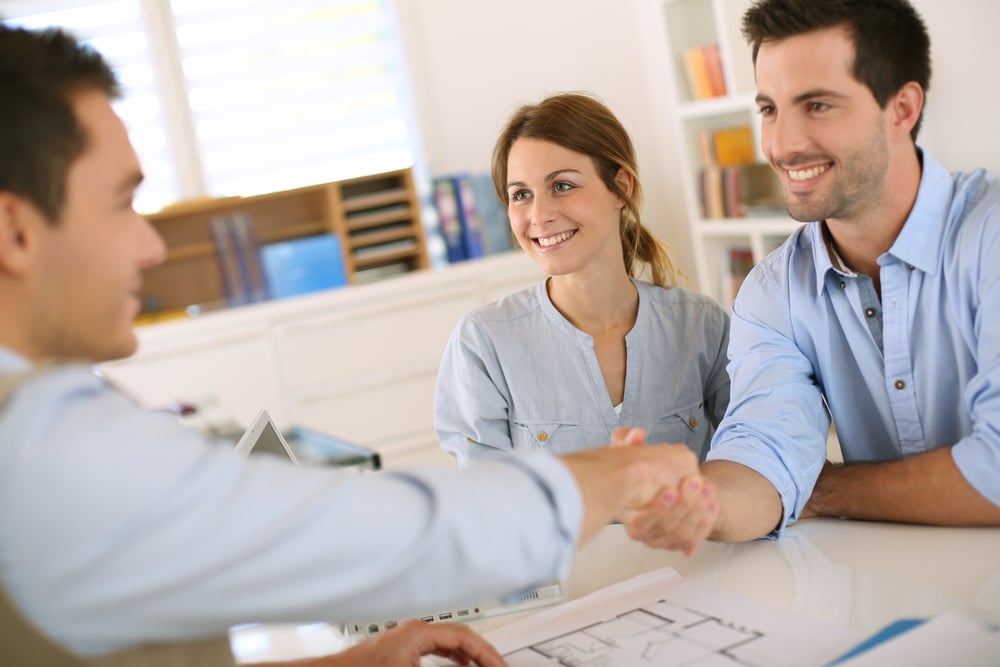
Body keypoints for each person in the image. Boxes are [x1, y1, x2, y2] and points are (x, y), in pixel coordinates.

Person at [0, 24, 713, 666]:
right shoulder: (43, 444)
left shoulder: (700, 321)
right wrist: (622, 472)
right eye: (124, 203)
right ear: (16, 231)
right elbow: (409, 537)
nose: (153, 244)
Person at [621, 0, 1000, 551]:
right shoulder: (773, 291)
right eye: (769, 108)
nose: (782, 143)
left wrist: (818, 488)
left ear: (902, 109)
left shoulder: (989, 237)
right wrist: (693, 501)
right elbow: (763, 450)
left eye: (817, 104)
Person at [434, 93, 731, 466]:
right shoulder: (483, 342)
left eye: (562, 186)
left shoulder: (703, 325)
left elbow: (753, 458)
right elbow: (491, 503)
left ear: (621, 187)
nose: (539, 216)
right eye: (521, 195)